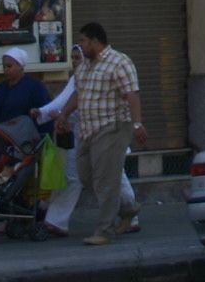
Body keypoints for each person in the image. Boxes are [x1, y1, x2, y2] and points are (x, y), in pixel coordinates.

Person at [34, 45, 137, 239]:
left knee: (113, 176)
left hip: (104, 135)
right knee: (74, 176)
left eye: (78, 57)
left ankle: (129, 214)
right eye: (72, 58)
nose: (75, 61)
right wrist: (47, 113)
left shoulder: (100, 75)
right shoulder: (78, 79)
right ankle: (56, 220)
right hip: (81, 137)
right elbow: (65, 102)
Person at [60, 22, 147, 246]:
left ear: (95, 41)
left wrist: (137, 125)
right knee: (85, 174)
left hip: (114, 126)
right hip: (89, 129)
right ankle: (128, 209)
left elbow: (133, 94)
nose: (80, 45)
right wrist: (63, 114)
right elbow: (79, 94)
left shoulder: (120, 62)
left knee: (105, 180)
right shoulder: (84, 66)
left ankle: (105, 231)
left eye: (83, 41)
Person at [0, 49, 51, 126]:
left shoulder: (35, 87)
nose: (5, 70)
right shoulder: (1, 87)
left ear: (20, 66)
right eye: (4, 66)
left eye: (9, 66)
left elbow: (45, 114)